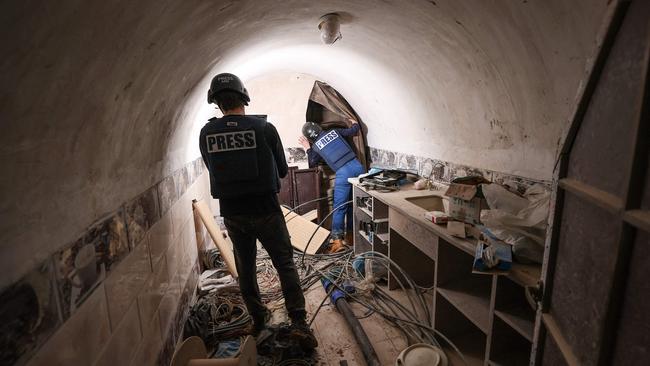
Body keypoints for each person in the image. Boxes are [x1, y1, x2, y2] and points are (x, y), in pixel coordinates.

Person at [199, 73, 317, 349]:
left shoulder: (207, 133)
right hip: (266, 210)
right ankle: (299, 322)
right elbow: (283, 170)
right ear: (244, 98)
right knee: (284, 264)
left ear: (217, 103)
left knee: (246, 268)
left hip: (234, 214)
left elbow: (211, 167)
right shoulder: (264, 129)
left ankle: (258, 320)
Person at [299, 121, 365, 252]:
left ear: (310, 138)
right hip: (358, 167)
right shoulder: (334, 131)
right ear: (319, 127)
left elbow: (312, 161)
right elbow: (353, 131)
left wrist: (307, 147)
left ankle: (337, 242)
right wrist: (354, 123)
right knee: (354, 204)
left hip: (344, 172)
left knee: (340, 207)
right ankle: (352, 237)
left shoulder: (316, 146)